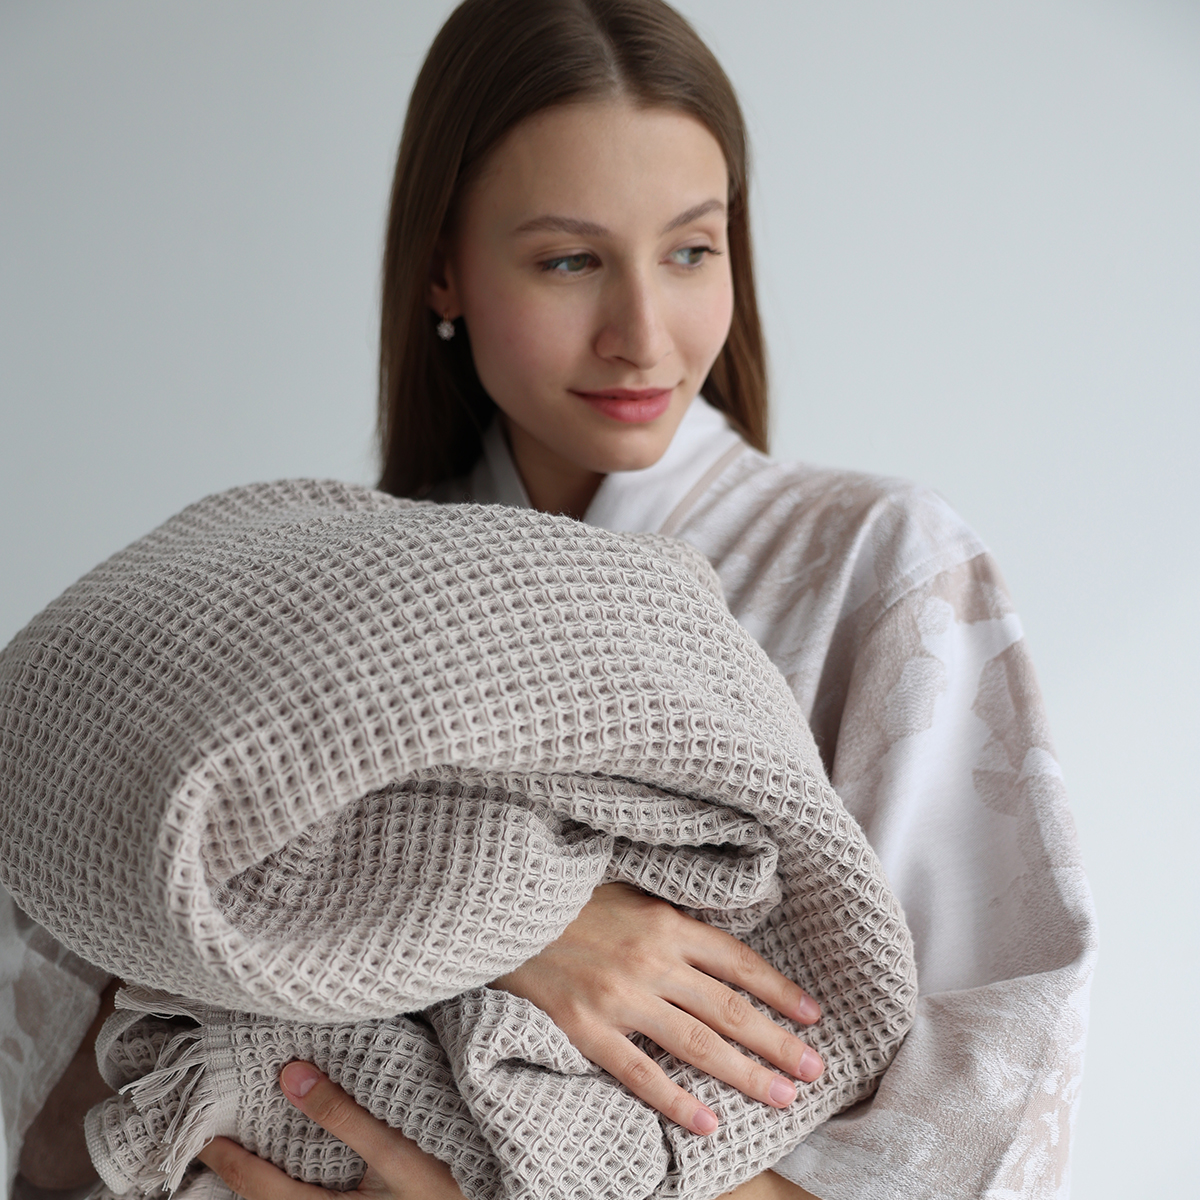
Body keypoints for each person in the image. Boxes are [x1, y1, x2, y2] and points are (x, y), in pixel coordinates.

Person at [11, 1, 1096, 1198]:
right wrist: (518, 919)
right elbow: (81, 989)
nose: (642, 335)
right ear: (443, 266)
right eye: (569, 260)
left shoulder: (876, 566)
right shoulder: (316, 589)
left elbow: (995, 1092)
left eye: (691, 250)